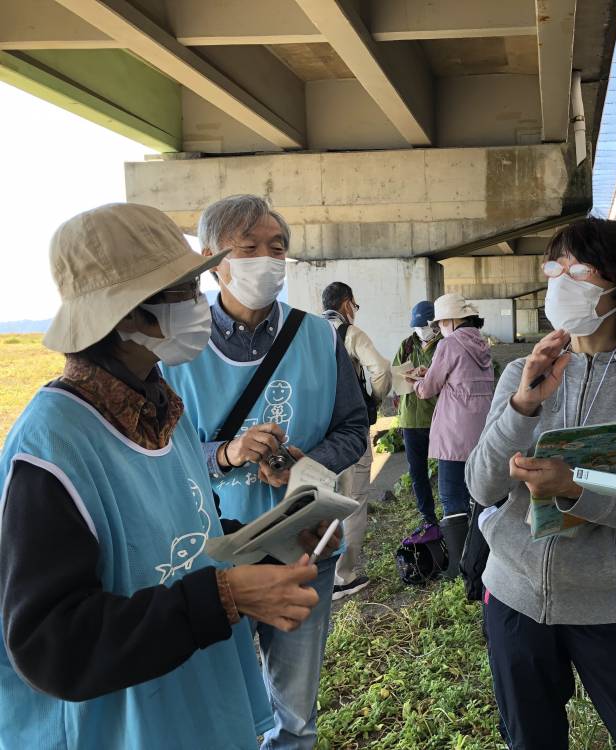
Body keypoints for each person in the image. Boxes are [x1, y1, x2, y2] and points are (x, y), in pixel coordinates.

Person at [0, 204, 339, 749]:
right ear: (128, 314)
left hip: (194, 712)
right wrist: (222, 596)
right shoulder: (51, 451)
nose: (197, 302)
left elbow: (189, 527)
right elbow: (52, 644)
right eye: (180, 291)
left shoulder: (163, 409)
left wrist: (277, 535)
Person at [465, 218, 616, 750]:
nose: (562, 281)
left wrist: (575, 489)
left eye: (581, 271)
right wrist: (525, 405)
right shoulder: (522, 372)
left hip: (613, 602)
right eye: (556, 268)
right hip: (514, 595)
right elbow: (480, 486)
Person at [161, 195, 369, 750]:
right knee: (218, 712)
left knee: (295, 718)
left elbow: (353, 427)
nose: (266, 260)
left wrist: (306, 464)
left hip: (303, 545)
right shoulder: (178, 346)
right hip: (212, 555)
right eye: (247, 248)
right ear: (211, 259)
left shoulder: (319, 337)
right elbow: (156, 449)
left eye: (276, 248)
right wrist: (224, 454)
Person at [410, 293, 494, 579]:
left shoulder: (448, 344)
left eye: (441, 322)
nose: (439, 327)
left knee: (451, 497)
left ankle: (460, 567)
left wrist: (416, 382)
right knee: (478, 496)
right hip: (481, 431)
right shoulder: (482, 343)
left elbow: (427, 390)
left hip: (455, 433)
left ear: (451, 320)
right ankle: (482, 560)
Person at [320, 281, 391, 601]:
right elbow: (379, 370)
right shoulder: (350, 334)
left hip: (314, 436)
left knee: (319, 503)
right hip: (349, 431)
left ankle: (316, 571)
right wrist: (373, 400)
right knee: (353, 500)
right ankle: (342, 576)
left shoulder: (306, 331)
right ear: (347, 304)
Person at [391, 301, 441, 532]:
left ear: (435, 323)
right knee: (417, 471)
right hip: (411, 418)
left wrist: (428, 376)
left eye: (424, 325)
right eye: (417, 326)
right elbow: (395, 375)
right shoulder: (407, 345)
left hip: (438, 417)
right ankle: (428, 517)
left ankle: (455, 513)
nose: (421, 330)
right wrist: (407, 377)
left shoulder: (445, 345)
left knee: (449, 468)